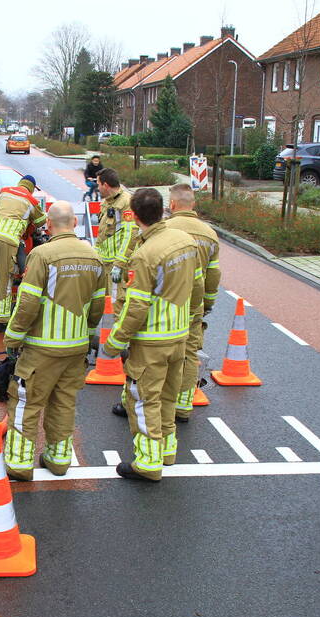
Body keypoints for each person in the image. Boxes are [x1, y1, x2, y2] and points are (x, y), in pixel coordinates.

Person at [2, 201, 105, 481]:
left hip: (41, 348)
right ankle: (59, 460)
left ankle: (20, 463)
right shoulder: (95, 257)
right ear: (74, 223)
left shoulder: (42, 255)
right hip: (75, 348)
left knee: (27, 403)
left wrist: (13, 337)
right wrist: (85, 332)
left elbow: (27, 303)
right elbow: (97, 307)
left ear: (48, 224)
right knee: (63, 403)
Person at [102, 188, 199, 482]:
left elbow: (136, 306)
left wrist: (113, 343)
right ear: (163, 209)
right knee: (168, 396)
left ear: (136, 214)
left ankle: (147, 462)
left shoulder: (145, 255)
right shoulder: (185, 241)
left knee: (143, 401)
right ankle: (167, 451)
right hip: (179, 334)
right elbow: (197, 284)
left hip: (151, 341)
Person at [164, 184, 220, 422]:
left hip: (166, 304)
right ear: (193, 204)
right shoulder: (209, 234)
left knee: (157, 353)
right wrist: (206, 303)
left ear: (172, 205)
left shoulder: (164, 230)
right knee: (188, 355)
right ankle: (183, 406)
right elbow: (213, 274)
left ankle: (154, 403)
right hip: (193, 306)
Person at [0, 175, 47, 333]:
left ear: (20, 183)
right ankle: (1, 321)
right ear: (32, 188)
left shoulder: (4, 192)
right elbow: (41, 222)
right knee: (5, 281)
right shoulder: (31, 201)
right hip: (8, 241)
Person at [94, 168, 137, 302]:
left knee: (116, 302)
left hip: (117, 266)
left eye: (98, 184)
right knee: (105, 302)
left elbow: (130, 236)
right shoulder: (107, 201)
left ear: (105, 185)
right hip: (105, 264)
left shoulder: (126, 203)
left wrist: (119, 265)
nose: (97, 187)